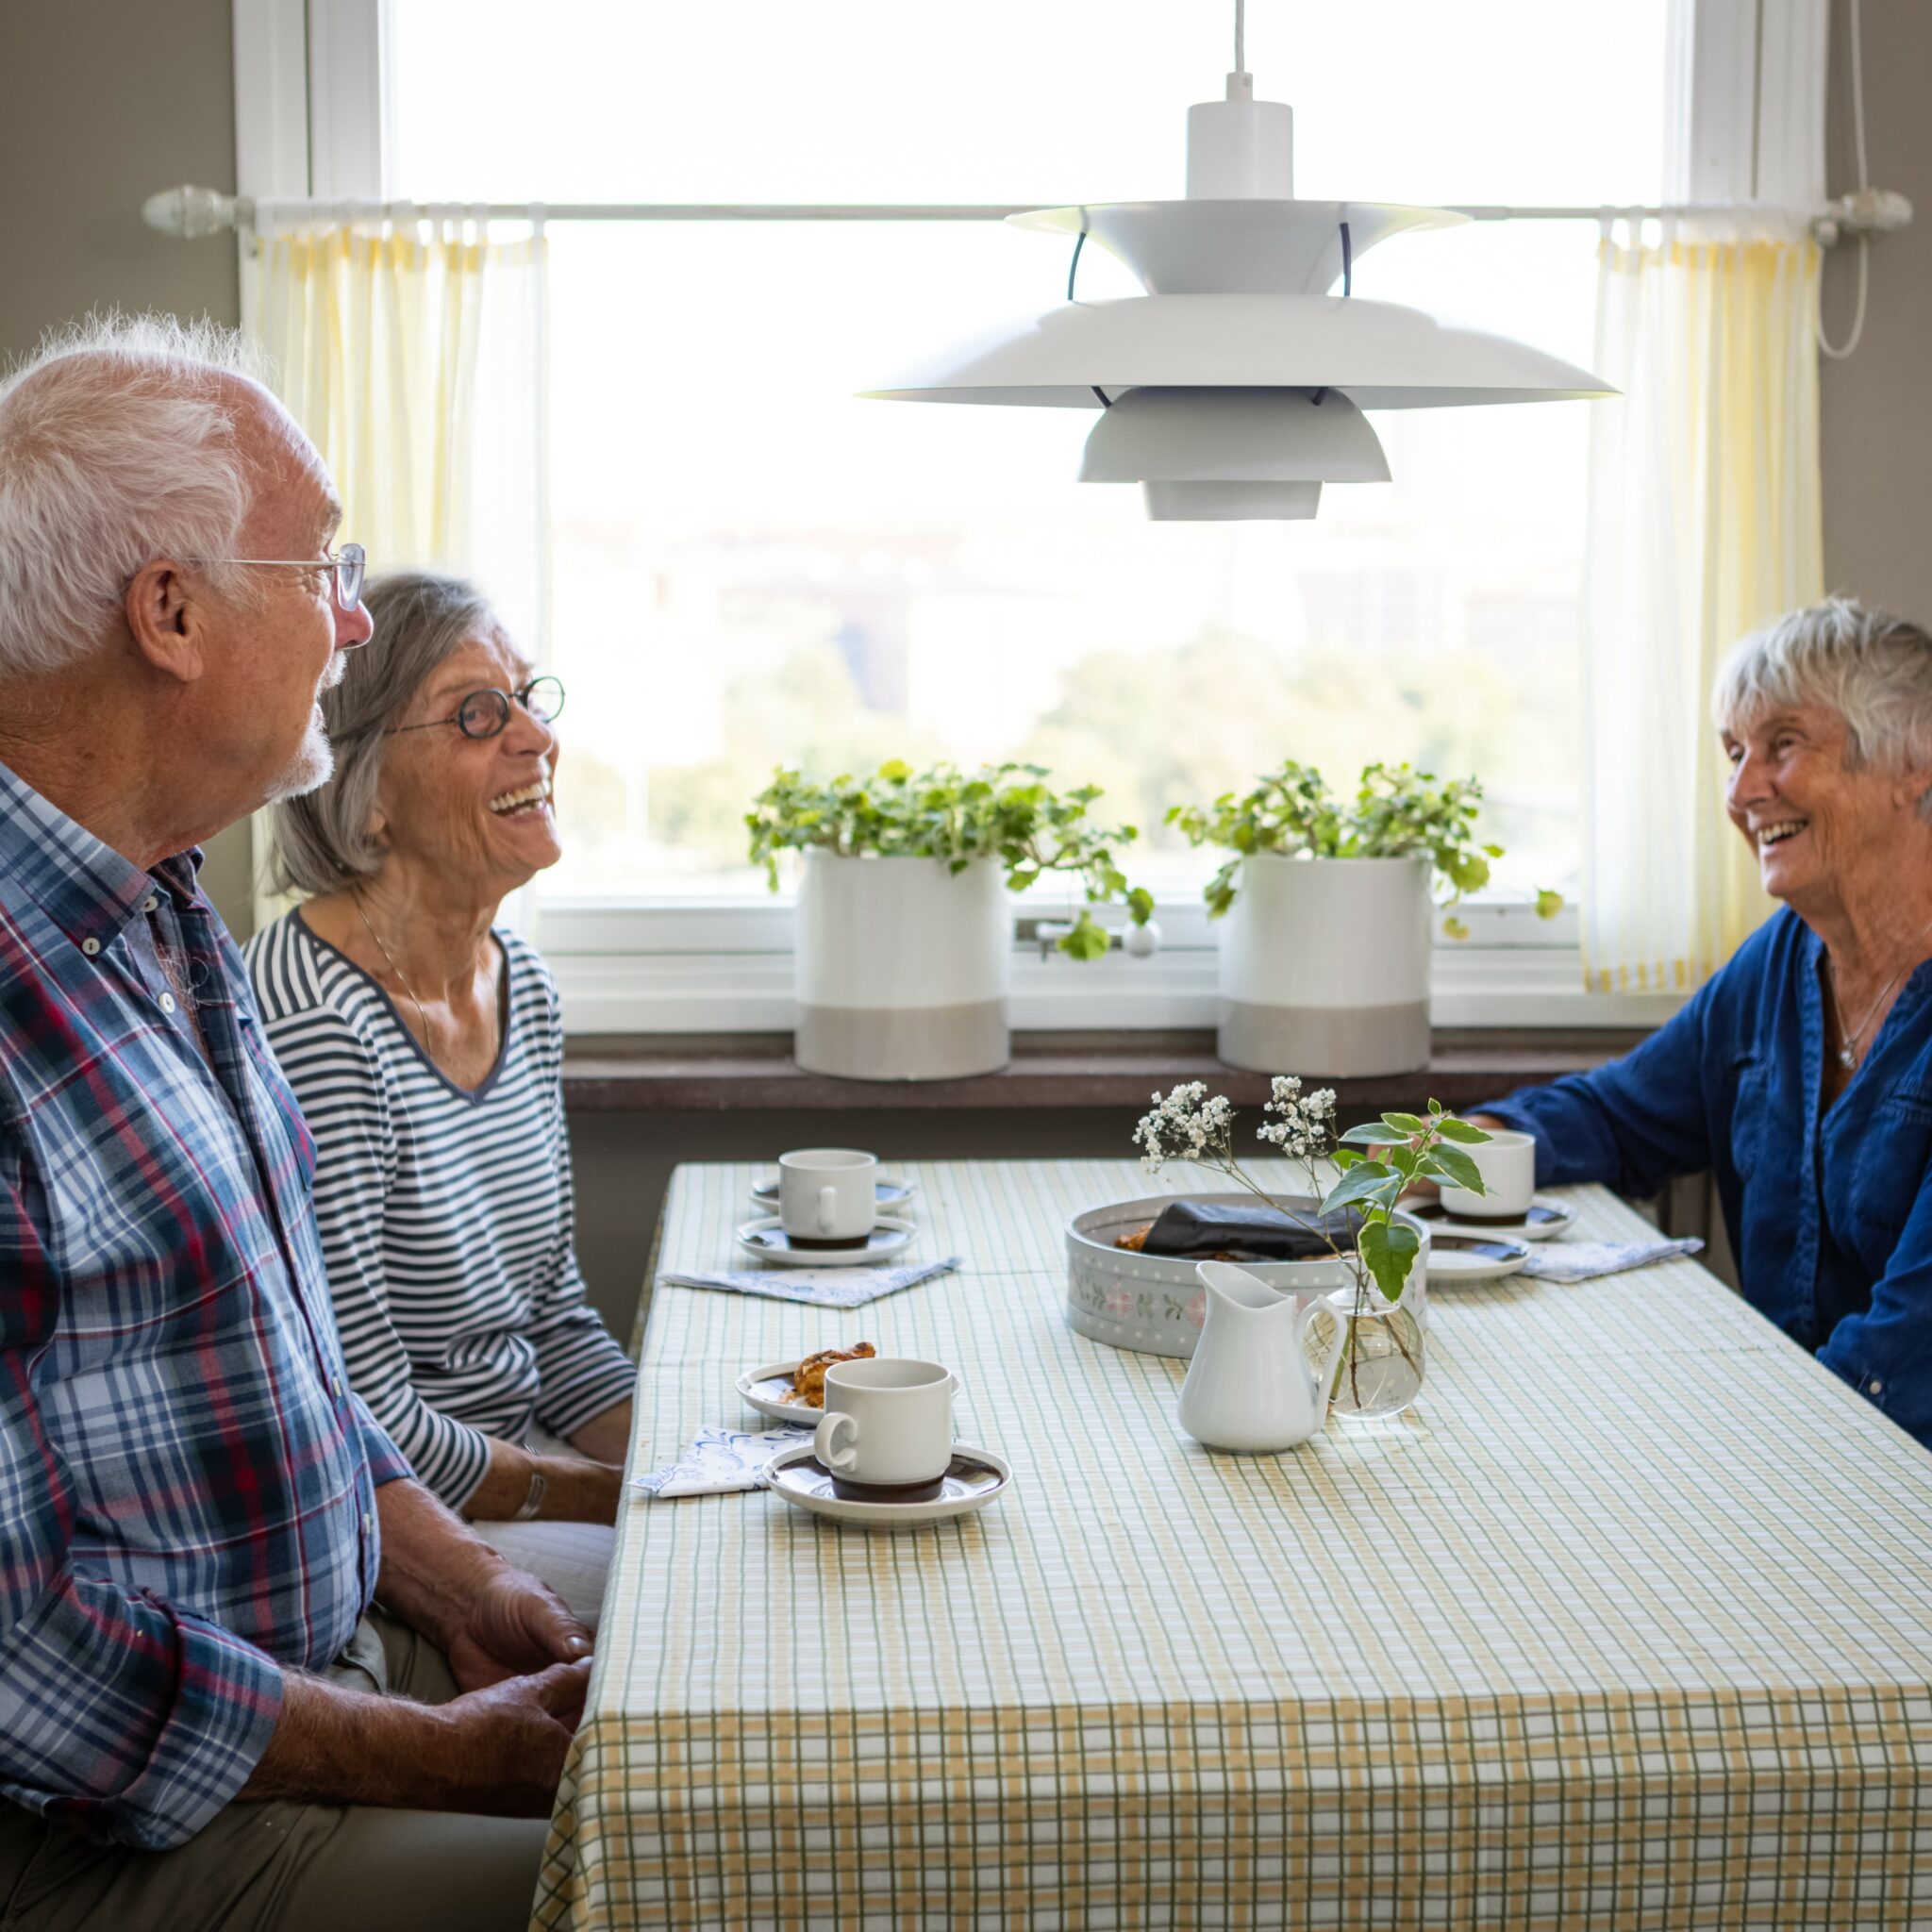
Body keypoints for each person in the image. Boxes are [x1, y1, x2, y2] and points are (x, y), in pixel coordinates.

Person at [0, 316, 590, 1932]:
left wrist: (464, 1583)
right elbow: (22, 1654)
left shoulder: (162, 907)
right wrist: (429, 1753)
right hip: (125, 1825)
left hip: (337, 1648)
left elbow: (306, 1389)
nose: (347, 616)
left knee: (741, 1657)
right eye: (318, 564)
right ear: (170, 613)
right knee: (726, 1867)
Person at [244, 571, 634, 1630]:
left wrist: (686, 1449)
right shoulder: (319, 1021)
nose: (533, 738)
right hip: (413, 1517)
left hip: (528, 1468)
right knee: (717, 1596)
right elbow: (364, 1411)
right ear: (365, 787)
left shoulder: (524, 982)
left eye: (526, 696)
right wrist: (616, 1495)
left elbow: (551, 1314)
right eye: (476, 712)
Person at [1474, 598, 1932, 1451]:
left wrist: (1710, 1448)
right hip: (1806, 1447)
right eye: (1734, 753)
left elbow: (1903, 1365)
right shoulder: (1781, 959)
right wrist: (1452, 1152)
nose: (1742, 790)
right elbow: (1621, 1115)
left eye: (1783, 745)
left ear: (1913, 763)